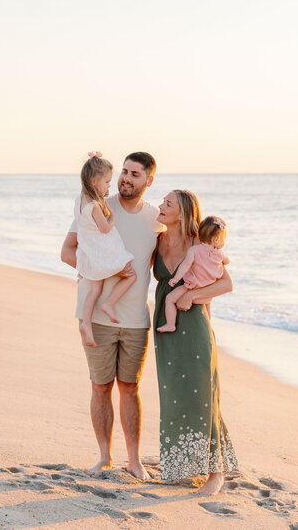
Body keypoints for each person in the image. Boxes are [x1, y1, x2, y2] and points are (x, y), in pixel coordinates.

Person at [61, 152, 164, 479]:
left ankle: (133, 461)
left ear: (149, 181)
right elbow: (67, 251)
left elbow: (168, 261)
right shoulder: (99, 206)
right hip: (96, 319)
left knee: (130, 388)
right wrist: (90, 268)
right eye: (124, 171)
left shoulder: (155, 219)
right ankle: (104, 458)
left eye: (135, 174)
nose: (125, 179)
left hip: (135, 319)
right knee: (100, 386)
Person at [153, 190, 237, 495]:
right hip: (166, 323)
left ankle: (216, 473)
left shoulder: (199, 243)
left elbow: (226, 284)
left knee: (204, 394)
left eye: (168, 204)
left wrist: (190, 295)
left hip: (196, 323)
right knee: (174, 392)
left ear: (184, 212)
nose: (161, 206)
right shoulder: (158, 240)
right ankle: (183, 465)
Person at [74, 152, 136, 347]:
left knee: (94, 290)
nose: (110, 186)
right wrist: (112, 216)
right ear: (95, 181)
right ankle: (109, 304)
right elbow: (104, 228)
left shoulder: (80, 200)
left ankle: (86, 324)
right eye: (107, 183)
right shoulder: (94, 206)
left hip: (88, 252)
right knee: (131, 274)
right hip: (101, 252)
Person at [156, 215, 230, 333]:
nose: (224, 242)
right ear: (216, 239)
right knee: (207, 309)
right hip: (207, 293)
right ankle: (206, 327)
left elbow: (185, 266)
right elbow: (227, 261)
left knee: (169, 299)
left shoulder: (194, 250)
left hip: (191, 288)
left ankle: (170, 324)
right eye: (223, 239)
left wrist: (176, 278)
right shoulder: (220, 254)